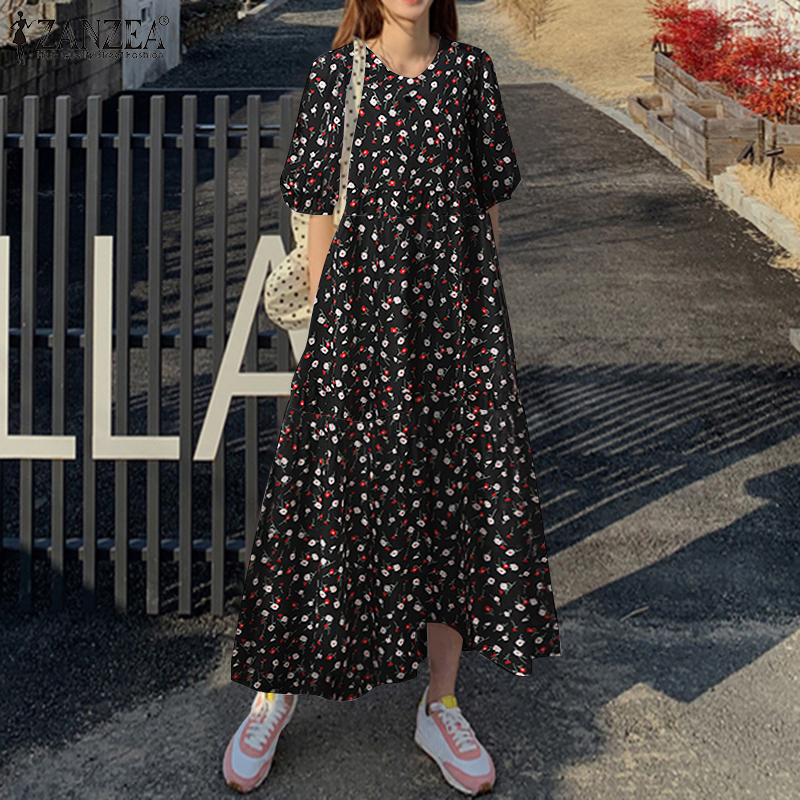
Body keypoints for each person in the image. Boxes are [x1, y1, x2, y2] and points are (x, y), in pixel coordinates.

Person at [224, 0, 562, 795]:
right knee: (321, 508)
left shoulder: (472, 74)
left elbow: (487, 217)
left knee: (451, 509)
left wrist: (478, 337)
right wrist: (329, 345)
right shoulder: (334, 78)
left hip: (454, 334)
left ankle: (440, 704)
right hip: (356, 332)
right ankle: (274, 692)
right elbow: (316, 222)